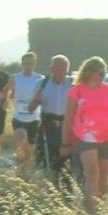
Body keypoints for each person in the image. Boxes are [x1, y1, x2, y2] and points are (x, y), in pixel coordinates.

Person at [62, 56, 108, 209]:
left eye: (104, 73)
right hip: (84, 136)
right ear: (90, 72)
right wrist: (65, 142)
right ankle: (91, 211)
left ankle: (99, 208)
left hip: (106, 136)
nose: (103, 76)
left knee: (103, 177)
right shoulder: (77, 91)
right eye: (100, 73)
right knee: (92, 172)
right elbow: (68, 118)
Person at [29, 54, 73, 188]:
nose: (61, 72)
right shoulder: (42, 84)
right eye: (57, 68)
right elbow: (31, 108)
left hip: (68, 126)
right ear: (51, 69)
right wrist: (37, 100)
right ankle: (52, 191)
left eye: (64, 69)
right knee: (49, 162)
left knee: (67, 163)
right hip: (49, 126)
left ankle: (67, 196)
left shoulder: (73, 84)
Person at [6, 51, 45, 177]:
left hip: (33, 119)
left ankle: (26, 172)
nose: (28, 66)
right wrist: (6, 101)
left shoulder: (40, 78)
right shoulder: (15, 77)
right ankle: (19, 169)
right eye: (26, 64)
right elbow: (7, 91)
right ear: (22, 64)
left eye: (31, 64)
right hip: (19, 117)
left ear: (34, 64)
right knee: (20, 140)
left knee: (29, 149)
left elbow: (43, 96)